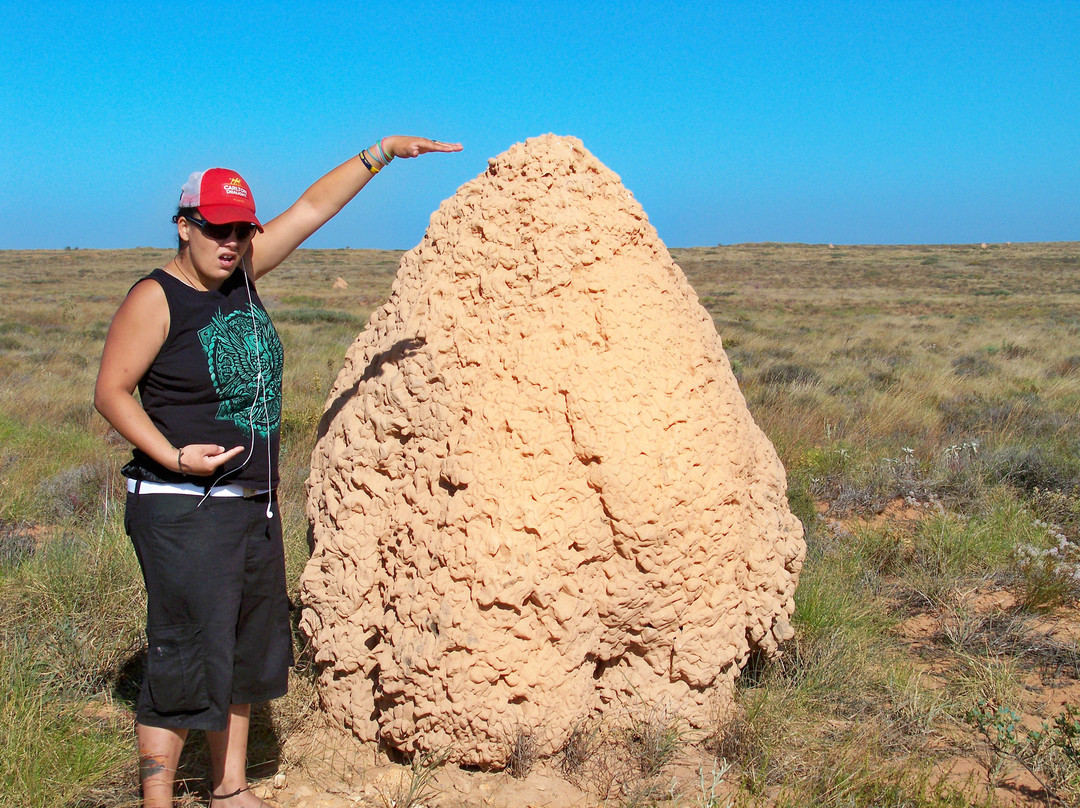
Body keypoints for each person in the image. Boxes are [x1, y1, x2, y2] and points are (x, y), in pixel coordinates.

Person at [94, 136, 462, 808]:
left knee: (242, 651)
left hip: (251, 505)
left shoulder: (242, 275)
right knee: (184, 654)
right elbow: (111, 391)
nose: (229, 242)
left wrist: (379, 153)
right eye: (215, 229)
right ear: (184, 226)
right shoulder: (157, 298)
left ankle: (229, 789)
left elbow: (313, 207)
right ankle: (159, 801)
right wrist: (174, 455)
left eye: (241, 230)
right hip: (183, 504)